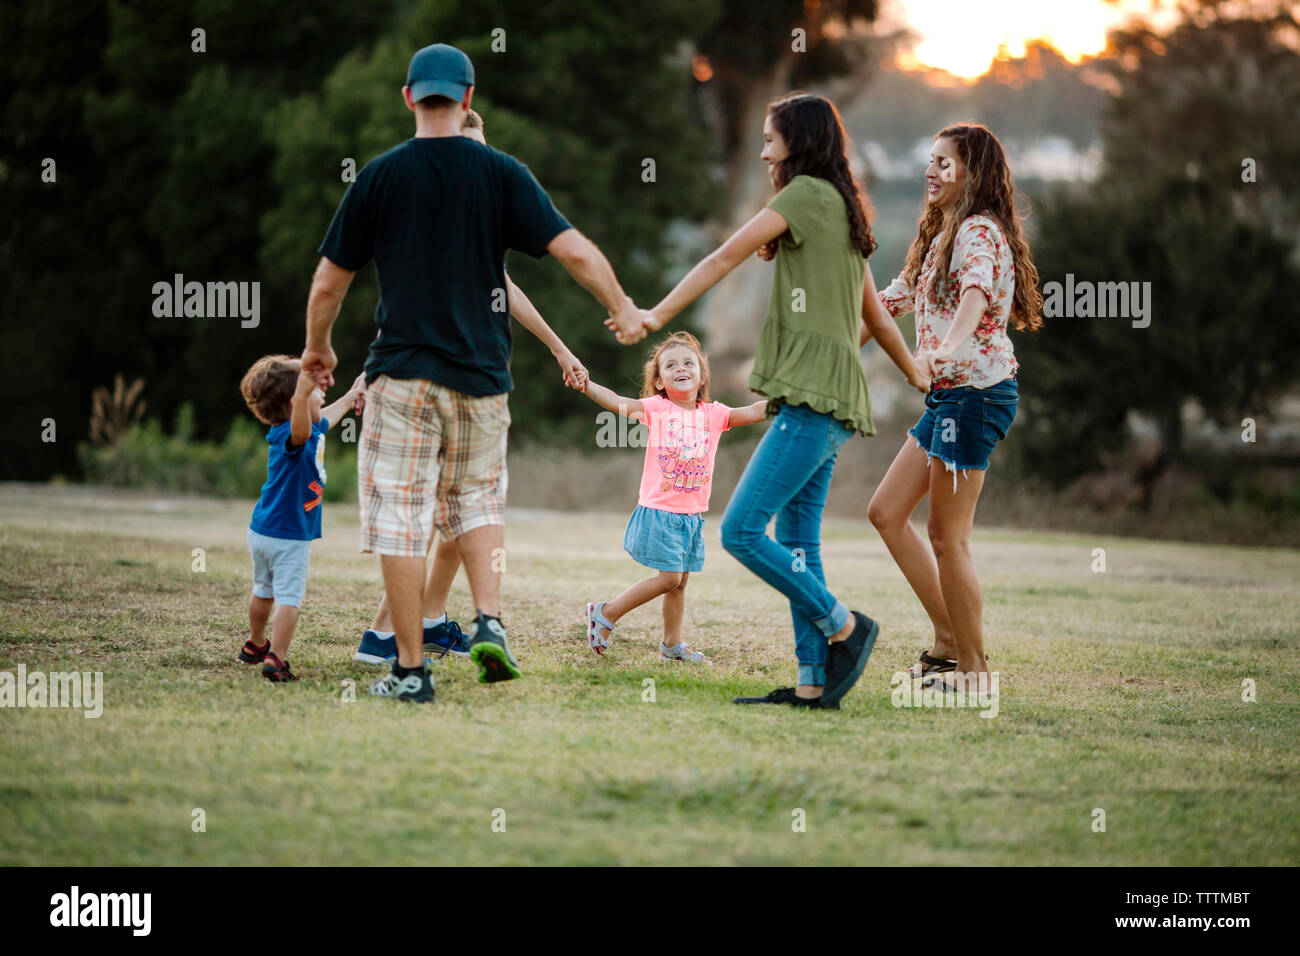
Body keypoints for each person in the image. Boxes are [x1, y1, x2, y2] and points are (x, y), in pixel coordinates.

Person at [302, 43, 650, 702]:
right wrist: (622, 308)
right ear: (468, 98)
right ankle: (490, 619)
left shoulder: (379, 175)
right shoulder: (502, 173)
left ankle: (408, 669)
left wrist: (318, 347)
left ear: (408, 97)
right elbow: (573, 250)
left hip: (401, 373)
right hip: (485, 378)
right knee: (477, 502)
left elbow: (328, 282)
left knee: (403, 518)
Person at [617, 92, 928, 709]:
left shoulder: (806, 194)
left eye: (770, 138)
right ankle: (814, 683)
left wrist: (654, 313)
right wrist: (916, 375)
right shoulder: (843, 208)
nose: (763, 150)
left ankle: (844, 625)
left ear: (799, 142)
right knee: (798, 544)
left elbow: (723, 254)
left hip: (810, 398)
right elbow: (880, 319)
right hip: (836, 400)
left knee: (738, 532)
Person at [353, 108, 589, 667]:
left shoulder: (477, 213)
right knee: (445, 512)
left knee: (459, 515)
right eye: (468, 146)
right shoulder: (421, 207)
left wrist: (559, 347)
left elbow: (503, 288)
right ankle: (386, 638)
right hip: (424, 386)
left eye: (483, 147)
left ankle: (422, 624)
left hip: (472, 382)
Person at [866, 123, 1042, 695]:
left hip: (976, 397)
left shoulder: (978, 232)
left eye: (945, 163)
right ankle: (947, 645)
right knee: (887, 512)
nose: (931, 172)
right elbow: (892, 300)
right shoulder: (943, 232)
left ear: (975, 172)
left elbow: (975, 293)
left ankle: (975, 674)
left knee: (948, 538)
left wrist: (944, 347)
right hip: (949, 397)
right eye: (930, 161)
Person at [579, 332, 766, 664]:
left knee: (679, 585)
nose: (681, 368)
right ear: (659, 380)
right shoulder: (657, 409)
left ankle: (672, 645)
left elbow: (753, 411)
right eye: (671, 365)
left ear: (702, 375)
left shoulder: (714, 414)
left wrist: (791, 401)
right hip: (661, 511)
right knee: (669, 579)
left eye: (688, 362)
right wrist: (586, 384)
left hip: (692, 514)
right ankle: (605, 612)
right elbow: (615, 402)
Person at [237, 355, 365, 682]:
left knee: (263, 590)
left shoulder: (306, 430)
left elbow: (325, 419)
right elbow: (304, 424)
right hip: (288, 536)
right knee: (289, 600)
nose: (322, 392)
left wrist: (351, 397)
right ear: (296, 402)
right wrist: (304, 391)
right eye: (315, 389)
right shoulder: (293, 435)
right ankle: (276, 658)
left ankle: (256, 643)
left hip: (263, 530)